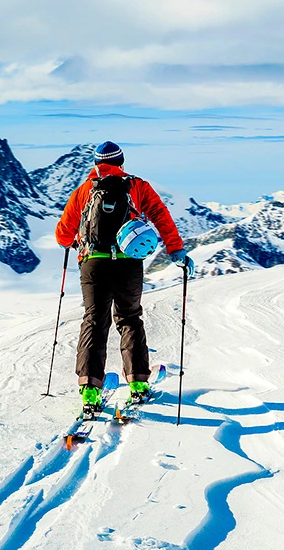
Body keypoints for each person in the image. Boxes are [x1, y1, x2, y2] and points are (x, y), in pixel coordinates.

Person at [54, 141, 189, 414]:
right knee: (129, 318)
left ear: (96, 164)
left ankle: (90, 390)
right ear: (122, 162)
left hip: (94, 263)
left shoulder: (84, 191)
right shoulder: (137, 186)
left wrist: (74, 241)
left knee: (94, 320)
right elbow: (161, 216)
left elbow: (62, 235)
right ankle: (138, 384)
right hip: (128, 264)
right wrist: (175, 249)